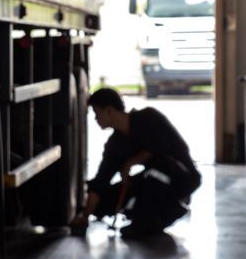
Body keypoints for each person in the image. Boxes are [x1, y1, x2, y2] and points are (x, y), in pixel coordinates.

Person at [70, 88, 201, 238]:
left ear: (109, 111)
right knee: (103, 201)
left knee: (158, 166)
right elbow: (102, 180)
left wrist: (130, 164)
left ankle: (151, 218)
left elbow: (160, 148)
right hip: (152, 180)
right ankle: (149, 215)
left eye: (96, 112)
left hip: (181, 178)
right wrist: (85, 216)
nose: (95, 119)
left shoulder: (149, 117)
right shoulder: (115, 144)